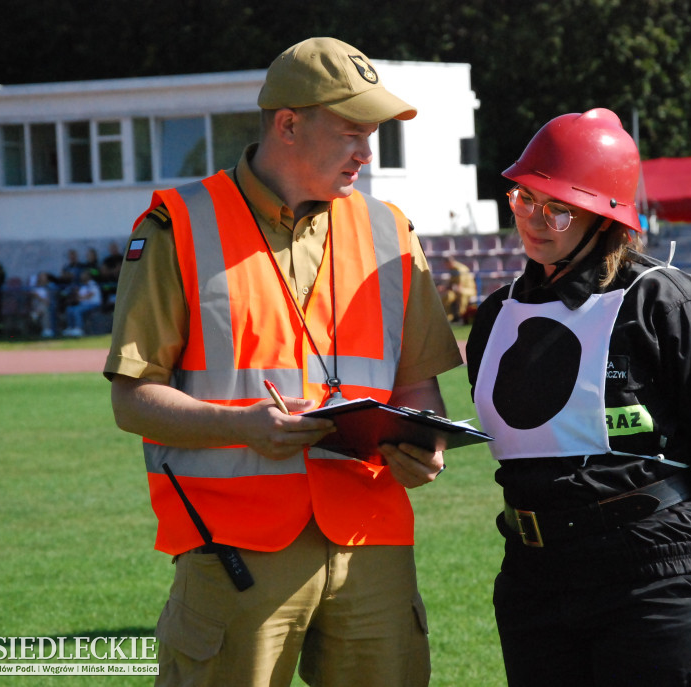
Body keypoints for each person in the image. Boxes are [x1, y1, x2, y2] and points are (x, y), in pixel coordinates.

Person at [105, 36, 463, 687]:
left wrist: (425, 441)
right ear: (288, 124)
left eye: (373, 133)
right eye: (353, 131)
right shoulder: (177, 223)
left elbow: (420, 385)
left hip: (372, 541)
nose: (368, 152)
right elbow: (131, 398)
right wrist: (242, 427)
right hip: (234, 547)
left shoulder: (391, 230)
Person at [465, 109, 691, 686]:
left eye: (558, 208)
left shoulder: (662, 299)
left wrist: (666, 529)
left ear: (605, 216)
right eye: (525, 199)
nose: (536, 220)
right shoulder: (496, 313)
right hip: (534, 579)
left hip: (656, 579)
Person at [62, 269, 102, 337]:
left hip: (94, 304)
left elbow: (90, 295)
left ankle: (79, 329)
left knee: (77, 310)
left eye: (83, 275)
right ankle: (71, 328)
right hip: (84, 304)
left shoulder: (92, 283)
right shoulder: (83, 286)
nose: (81, 277)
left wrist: (79, 299)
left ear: (88, 276)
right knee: (69, 309)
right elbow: (79, 296)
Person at [441, 256, 477, 323]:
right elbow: (452, 284)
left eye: (446, 264)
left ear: (450, 262)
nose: (445, 266)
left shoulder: (460, 269)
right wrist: (444, 288)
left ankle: (462, 316)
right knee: (448, 295)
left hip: (468, 290)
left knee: (461, 293)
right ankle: (448, 317)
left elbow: (459, 286)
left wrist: (446, 288)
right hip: (457, 290)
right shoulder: (453, 269)